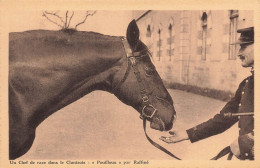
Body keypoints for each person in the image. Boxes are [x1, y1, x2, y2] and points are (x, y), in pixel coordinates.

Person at [160, 26, 254, 160]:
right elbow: (224, 119)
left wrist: (248, 144)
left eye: (243, 47)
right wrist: (187, 134)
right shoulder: (247, 84)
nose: (238, 53)